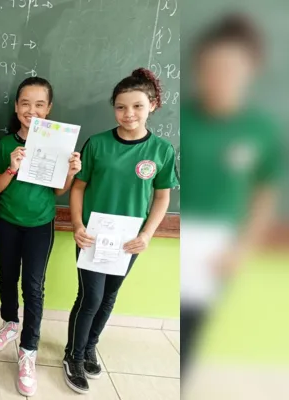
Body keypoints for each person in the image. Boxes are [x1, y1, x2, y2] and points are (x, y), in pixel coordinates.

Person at [62, 68, 178, 394]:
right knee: (90, 297)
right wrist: (78, 225)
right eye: (121, 107)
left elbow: (162, 196)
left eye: (137, 106)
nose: (129, 114)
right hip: (93, 236)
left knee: (110, 296)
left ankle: (88, 348)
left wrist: (147, 234)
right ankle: (72, 354)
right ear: (114, 108)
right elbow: (78, 187)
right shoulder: (97, 144)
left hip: (129, 241)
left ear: (152, 105)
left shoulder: (161, 151)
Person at [179, 14, 281, 382]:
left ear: (250, 69)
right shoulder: (183, 118)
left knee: (190, 332)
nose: (220, 76)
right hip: (174, 235)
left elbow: (265, 193)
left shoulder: (262, 129)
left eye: (231, 68)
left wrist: (243, 247)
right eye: (212, 67)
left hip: (217, 250)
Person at [0, 77, 81, 396]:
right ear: (15, 107)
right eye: (25, 103)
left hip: (41, 223)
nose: (32, 110)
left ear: (49, 108)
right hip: (10, 220)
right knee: (7, 277)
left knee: (34, 286)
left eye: (39, 104)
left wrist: (69, 172)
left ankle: (29, 351)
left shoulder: (59, 142)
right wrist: (12, 167)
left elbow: (58, 191)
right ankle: (10, 322)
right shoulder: (4, 144)